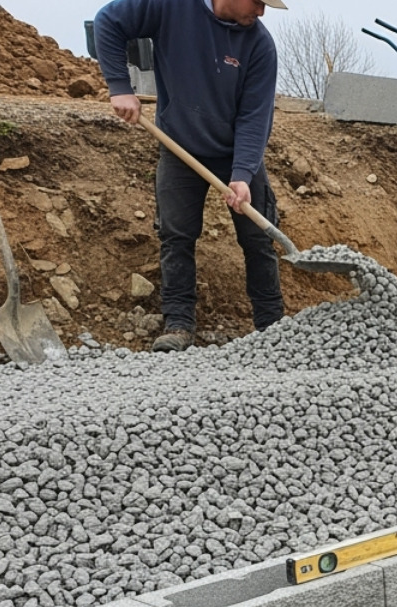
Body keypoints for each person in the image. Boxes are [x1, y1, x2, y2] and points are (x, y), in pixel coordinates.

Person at [94, 0, 287, 352]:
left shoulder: (260, 45)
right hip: (180, 145)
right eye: (258, 2)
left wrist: (242, 174)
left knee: (258, 239)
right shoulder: (172, 7)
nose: (261, 12)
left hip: (235, 152)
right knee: (176, 236)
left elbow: (255, 117)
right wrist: (120, 86)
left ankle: (272, 327)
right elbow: (109, 21)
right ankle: (179, 324)